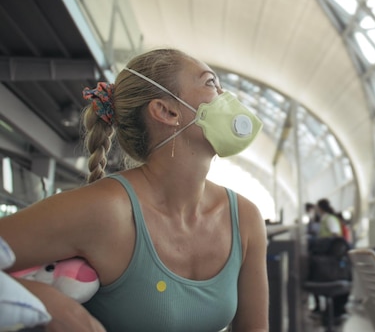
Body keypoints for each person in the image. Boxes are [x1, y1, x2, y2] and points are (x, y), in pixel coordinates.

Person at [0, 48, 269, 331]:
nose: (226, 97)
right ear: (166, 111)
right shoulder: (106, 210)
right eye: (211, 83)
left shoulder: (245, 218)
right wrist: (50, 304)